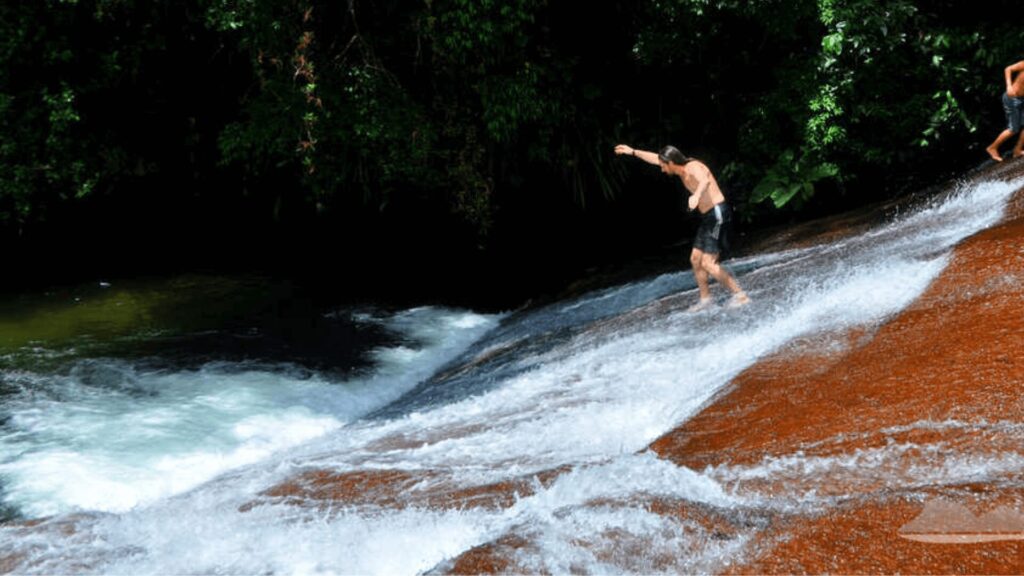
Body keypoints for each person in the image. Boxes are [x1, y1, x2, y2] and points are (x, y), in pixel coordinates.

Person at [615, 143, 750, 310]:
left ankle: (740, 295)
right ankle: (706, 299)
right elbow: (652, 158)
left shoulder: (693, 166)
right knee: (695, 259)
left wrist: (696, 196)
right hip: (708, 217)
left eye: (664, 166)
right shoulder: (679, 170)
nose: (662, 169)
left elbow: (705, 181)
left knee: (708, 263)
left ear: (671, 162)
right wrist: (632, 152)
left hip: (717, 213)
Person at [985, 60, 1024, 162]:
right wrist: (1009, 86)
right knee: (1014, 129)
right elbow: (1008, 69)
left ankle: (1017, 150)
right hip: (1012, 98)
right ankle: (992, 147)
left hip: (1022, 100)